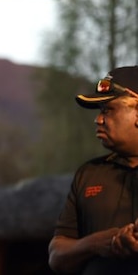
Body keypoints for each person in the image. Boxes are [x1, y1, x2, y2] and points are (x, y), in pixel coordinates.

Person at [49, 65, 138, 274]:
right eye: (99, 111)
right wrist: (97, 243)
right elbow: (56, 256)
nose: (98, 119)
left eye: (108, 110)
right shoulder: (89, 174)